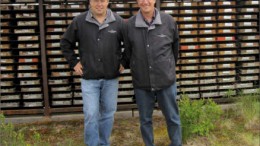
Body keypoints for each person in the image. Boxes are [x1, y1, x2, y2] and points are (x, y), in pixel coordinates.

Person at [60, 0, 124, 145]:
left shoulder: (118, 21)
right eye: (96, 0)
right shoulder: (79, 21)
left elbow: (130, 43)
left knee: (108, 114)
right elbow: (65, 43)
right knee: (91, 114)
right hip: (89, 78)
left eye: (102, 0)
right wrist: (74, 63)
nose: (99, 4)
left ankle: (103, 143)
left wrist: (124, 62)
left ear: (108, 1)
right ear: (90, 2)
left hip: (111, 78)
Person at [122, 0, 182, 145]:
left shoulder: (168, 21)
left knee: (172, 117)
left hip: (165, 80)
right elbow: (128, 51)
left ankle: (176, 143)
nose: (145, 2)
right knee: (145, 120)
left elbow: (175, 48)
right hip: (142, 82)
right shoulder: (129, 25)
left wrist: (166, 67)